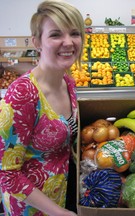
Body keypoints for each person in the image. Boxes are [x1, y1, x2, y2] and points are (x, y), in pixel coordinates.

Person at [0, 0, 85, 215]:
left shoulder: (69, 82)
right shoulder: (23, 95)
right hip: (33, 208)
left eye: (74, 33)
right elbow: (7, 175)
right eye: (56, 35)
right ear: (36, 41)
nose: (68, 42)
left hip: (64, 193)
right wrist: (59, 212)